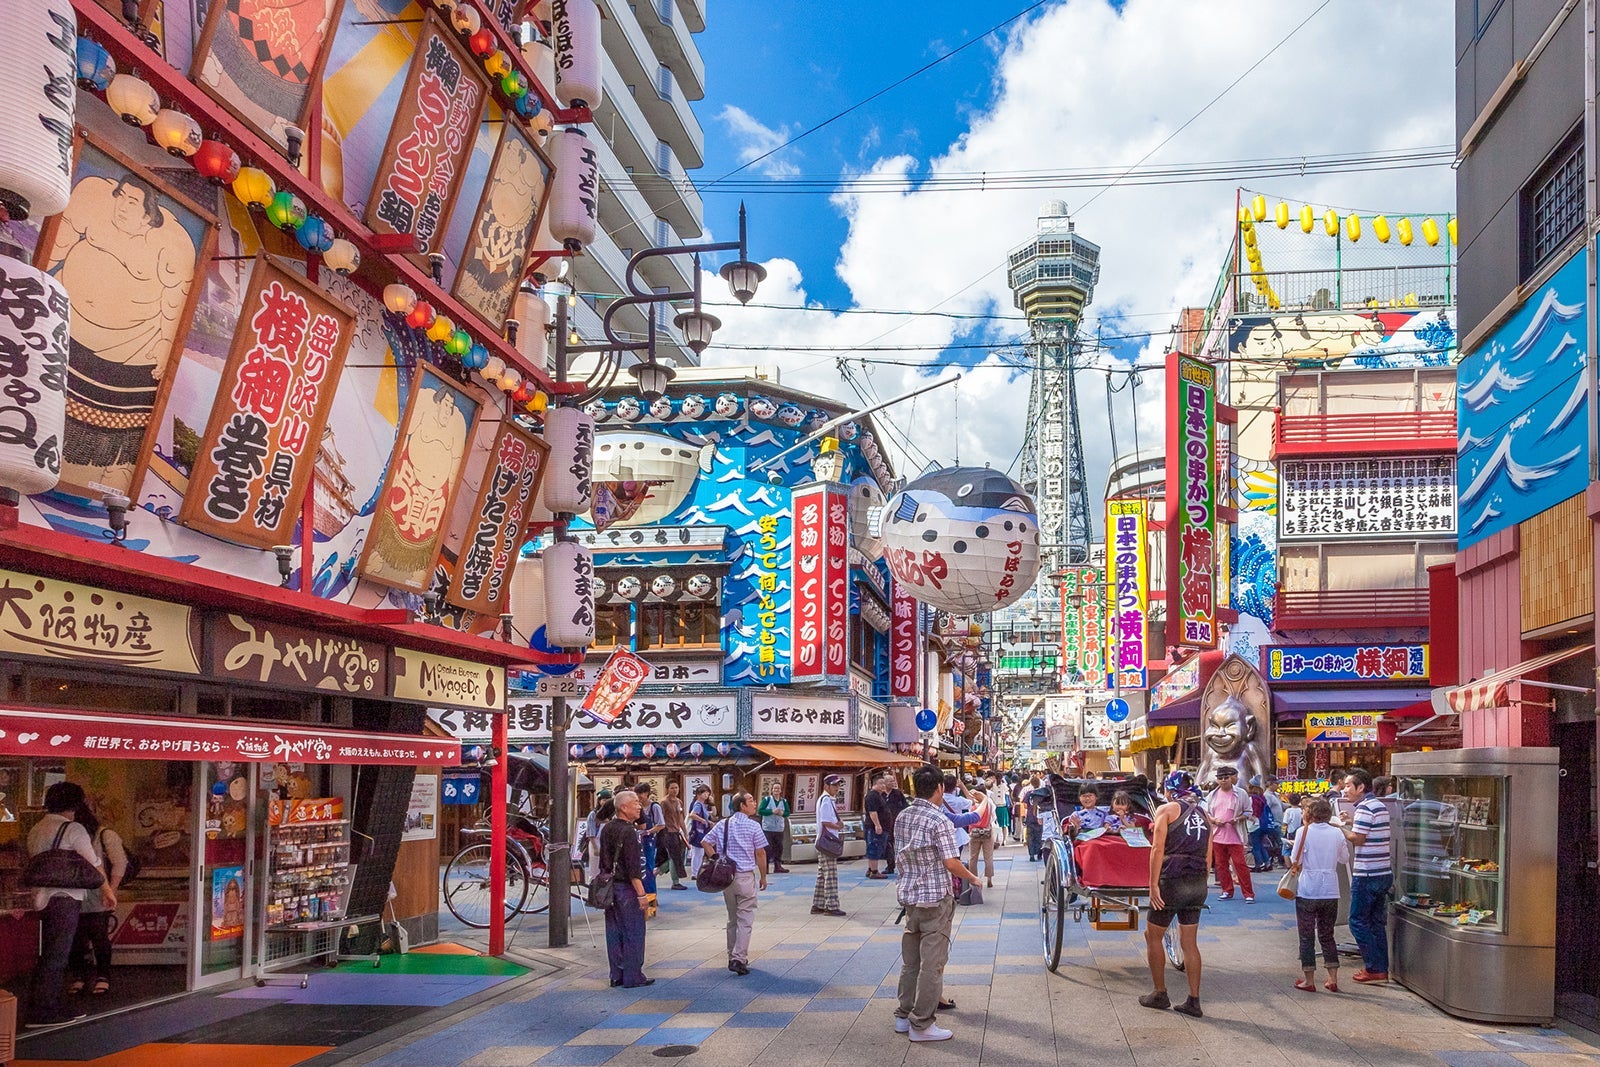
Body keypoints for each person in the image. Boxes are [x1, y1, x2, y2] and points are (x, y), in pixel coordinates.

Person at [891, 765, 983, 1043]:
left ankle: (903, 1015)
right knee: (933, 964)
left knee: (911, 962)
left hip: (909, 897)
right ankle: (922, 1024)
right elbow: (950, 862)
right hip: (934, 899)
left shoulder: (903, 816)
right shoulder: (939, 820)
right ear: (940, 788)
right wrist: (973, 878)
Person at [26, 782, 106, 1028]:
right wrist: (108, 891)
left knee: (49, 953)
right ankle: (44, 1012)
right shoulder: (73, 829)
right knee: (57, 955)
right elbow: (92, 861)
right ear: (75, 804)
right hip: (65, 898)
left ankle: (44, 1004)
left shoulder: (37, 829)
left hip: (41, 897)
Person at [1141, 771, 1210, 1018]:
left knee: (1152, 935)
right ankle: (1194, 999)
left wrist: (1153, 884)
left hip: (1173, 879)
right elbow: (1208, 856)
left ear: (1169, 789)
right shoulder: (1204, 815)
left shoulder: (1167, 810)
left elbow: (1158, 847)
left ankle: (1160, 993)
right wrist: (1204, 881)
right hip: (1198, 882)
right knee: (1189, 942)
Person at [701, 791, 768, 975]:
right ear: (742, 806)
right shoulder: (754, 826)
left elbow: (705, 842)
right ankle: (739, 958)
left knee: (732, 918)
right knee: (745, 918)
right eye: (751, 800)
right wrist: (763, 876)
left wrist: (716, 857)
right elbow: (760, 853)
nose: (755, 803)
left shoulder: (724, 823)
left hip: (726, 877)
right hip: (745, 875)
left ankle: (732, 955)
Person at [1336, 768, 1392, 983]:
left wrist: (1340, 827)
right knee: (1376, 923)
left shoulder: (1365, 808)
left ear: (1361, 787)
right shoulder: (1378, 806)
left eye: (1349, 785)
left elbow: (1358, 839)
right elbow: (1366, 833)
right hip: (1383, 872)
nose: (1345, 789)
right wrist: (1350, 822)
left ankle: (1373, 967)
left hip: (1367, 873)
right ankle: (1381, 968)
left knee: (1357, 921)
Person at [69, 799, 127, 997]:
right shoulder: (70, 834)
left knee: (98, 936)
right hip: (76, 894)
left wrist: (111, 889)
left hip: (97, 894)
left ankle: (102, 976)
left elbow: (120, 862)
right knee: (77, 938)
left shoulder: (105, 835)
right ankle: (80, 976)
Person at [1290, 797, 1349, 993]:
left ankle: (1309, 980)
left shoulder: (1303, 832)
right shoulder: (1337, 833)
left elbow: (1294, 859)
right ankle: (1332, 978)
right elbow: (1344, 858)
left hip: (1308, 888)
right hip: (1330, 889)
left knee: (1306, 936)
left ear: (1310, 814)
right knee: (1327, 934)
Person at [599, 790, 652, 988]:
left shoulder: (607, 828)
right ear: (623, 807)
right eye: (635, 803)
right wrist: (642, 895)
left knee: (614, 931)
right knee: (634, 932)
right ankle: (633, 976)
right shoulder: (629, 831)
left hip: (610, 887)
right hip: (628, 888)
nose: (639, 806)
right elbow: (633, 868)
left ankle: (617, 974)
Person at [1205, 765, 1255, 902]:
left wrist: (1238, 819)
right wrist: (1214, 820)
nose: (1223, 781)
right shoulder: (1212, 795)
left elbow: (1248, 811)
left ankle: (1248, 893)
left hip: (1235, 835)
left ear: (1231, 778)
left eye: (1225, 778)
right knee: (1221, 865)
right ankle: (1227, 890)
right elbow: (1206, 813)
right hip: (1218, 835)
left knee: (1240, 864)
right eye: (1220, 778)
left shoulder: (1241, 793)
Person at [812, 775, 846, 917]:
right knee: (830, 875)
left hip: (823, 841)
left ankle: (818, 903)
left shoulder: (825, 799)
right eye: (834, 786)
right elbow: (826, 821)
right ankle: (831, 906)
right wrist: (838, 825)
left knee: (822, 874)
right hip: (827, 842)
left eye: (838, 786)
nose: (837, 788)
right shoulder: (826, 800)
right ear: (827, 786)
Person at [634, 782, 664, 896]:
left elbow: (661, 825)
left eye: (641, 793)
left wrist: (647, 832)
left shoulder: (654, 807)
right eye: (637, 793)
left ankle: (651, 895)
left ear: (648, 793)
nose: (639, 796)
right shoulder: (637, 807)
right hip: (638, 840)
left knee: (648, 868)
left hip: (649, 840)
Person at [659, 781, 688, 890]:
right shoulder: (664, 802)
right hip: (667, 832)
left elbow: (681, 818)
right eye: (672, 788)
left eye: (676, 787)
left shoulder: (679, 801)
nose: (675, 790)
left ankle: (658, 871)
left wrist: (685, 832)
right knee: (673, 856)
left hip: (677, 831)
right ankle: (675, 881)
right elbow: (660, 818)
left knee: (678, 856)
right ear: (667, 789)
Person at [757, 780, 790, 874]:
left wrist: (782, 813)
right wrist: (771, 811)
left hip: (779, 828)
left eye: (778, 788)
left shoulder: (784, 801)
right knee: (768, 848)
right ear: (772, 790)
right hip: (768, 828)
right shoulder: (766, 800)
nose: (776, 790)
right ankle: (765, 867)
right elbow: (760, 811)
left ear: (780, 790)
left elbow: (787, 813)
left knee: (779, 847)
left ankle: (778, 866)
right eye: (775, 788)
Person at [582, 790, 615, 884]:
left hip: (608, 843)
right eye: (603, 800)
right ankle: (593, 887)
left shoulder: (613, 814)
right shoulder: (593, 814)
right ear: (599, 801)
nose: (605, 802)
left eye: (608, 799)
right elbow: (591, 832)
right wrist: (595, 847)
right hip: (596, 842)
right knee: (595, 868)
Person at [968, 781, 996, 888]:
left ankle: (973, 879)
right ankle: (989, 879)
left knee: (973, 857)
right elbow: (993, 817)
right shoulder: (989, 804)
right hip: (987, 832)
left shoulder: (972, 805)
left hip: (974, 833)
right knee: (988, 857)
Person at [864, 775, 891, 879]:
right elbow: (873, 812)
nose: (883, 785)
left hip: (882, 826)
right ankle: (874, 871)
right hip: (874, 827)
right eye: (881, 783)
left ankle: (871, 869)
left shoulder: (880, 795)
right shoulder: (872, 796)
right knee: (874, 848)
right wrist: (877, 825)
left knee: (876, 848)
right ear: (875, 784)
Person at [882, 775, 909, 876]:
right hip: (885, 823)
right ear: (884, 783)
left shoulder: (897, 793)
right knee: (887, 844)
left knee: (899, 844)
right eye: (889, 781)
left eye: (893, 781)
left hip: (897, 822)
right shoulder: (881, 794)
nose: (892, 783)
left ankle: (903, 865)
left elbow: (905, 806)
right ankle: (890, 865)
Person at [687, 784, 714, 877]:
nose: (707, 795)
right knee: (697, 852)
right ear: (699, 794)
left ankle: (697, 871)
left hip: (701, 830)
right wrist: (703, 820)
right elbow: (692, 815)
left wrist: (708, 821)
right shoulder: (698, 804)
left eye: (708, 793)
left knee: (700, 852)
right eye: (704, 793)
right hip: (698, 831)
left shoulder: (701, 804)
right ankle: (695, 873)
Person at [989, 777, 1012, 847]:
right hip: (1003, 807)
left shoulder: (992, 786)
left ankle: (996, 839)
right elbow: (1008, 792)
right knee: (1004, 825)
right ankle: (1004, 840)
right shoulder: (1004, 786)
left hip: (995, 807)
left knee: (995, 824)